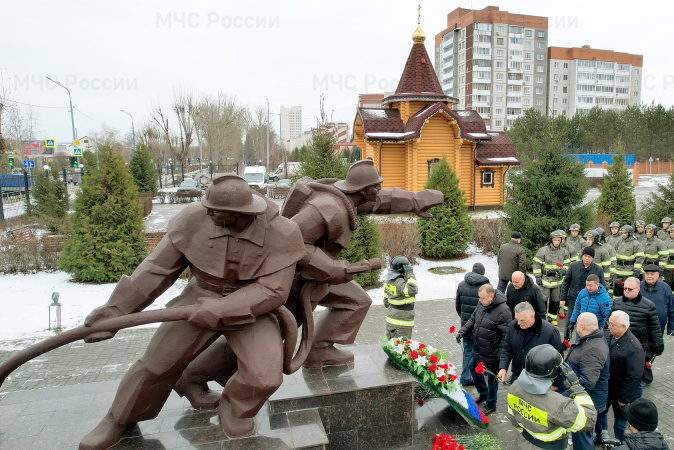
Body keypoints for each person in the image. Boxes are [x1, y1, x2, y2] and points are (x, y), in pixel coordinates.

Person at [173, 160, 443, 405]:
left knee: (356, 301)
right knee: (265, 338)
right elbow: (292, 242)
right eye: (376, 186)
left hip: (318, 279)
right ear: (366, 189)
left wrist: (416, 201)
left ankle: (320, 350)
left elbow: (384, 200)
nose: (379, 190)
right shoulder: (327, 209)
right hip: (290, 282)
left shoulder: (351, 198)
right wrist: (333, 267)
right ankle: (191, 376)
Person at [78, 175, 307, 448]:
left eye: (215, 209)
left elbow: (273, 290)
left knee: (265, 375)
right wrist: (115, 310)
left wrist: (222, 308)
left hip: (253, 309)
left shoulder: (284, 233)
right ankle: (119, 419)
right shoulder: (192, 219)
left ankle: (234, 407)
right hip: (198, 300)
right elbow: (156, 270)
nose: (206, 211)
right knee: (156, 364)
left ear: (239, 213)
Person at [506, 345, 597, 450]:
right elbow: (588, 420)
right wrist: (576, 388)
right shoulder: (558, 404)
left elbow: (514, 418)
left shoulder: (514, 387)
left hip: (525, 443)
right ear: (554, 371)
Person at [456, 284, 512, 414]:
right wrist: (462, 331)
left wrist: (500, 357)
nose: (480, 301)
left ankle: (491, 403)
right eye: (479, 298)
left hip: (493, 352)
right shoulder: (482, 304)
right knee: (472, 367)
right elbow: (473, 318)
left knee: (492, 379)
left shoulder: (504, 311)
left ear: (491, 296)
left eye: (482, 298)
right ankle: (483, 392)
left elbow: (506, 337)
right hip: (479, 347)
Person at [561, 313, 610, 450]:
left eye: (577, 323)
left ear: (582, 326)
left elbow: (587, 382)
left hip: (586, 404)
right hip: (586, 400)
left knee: (582, 440)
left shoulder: (593, 348)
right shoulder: (591, 339)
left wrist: (564, 397)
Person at [612, 277, 664, 386]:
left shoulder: (648, 306)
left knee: (636, 376)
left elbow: (655, 327)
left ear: (638, 289)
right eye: (625, 288)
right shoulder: (616, 303)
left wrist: (658, 346)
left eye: (630, 289)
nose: (626, 291)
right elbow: (609, 324)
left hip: (639, 347)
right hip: (619, 344)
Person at [603, 311, 645, 444]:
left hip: (620, 393)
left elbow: (635, 375)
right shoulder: (609, 336)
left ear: (623, 326)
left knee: (621, 421)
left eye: (612, 325)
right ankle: (602, 437)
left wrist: (625, 398)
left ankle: (620, 443)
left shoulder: (633, 347)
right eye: (609, 324)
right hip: (607, 388)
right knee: (601, 414)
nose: (609, 327)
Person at [498, 302, 563, 385]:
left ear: (532, 316)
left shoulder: (550, 332)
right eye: (517, 319)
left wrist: (555, 384)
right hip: (518, 377)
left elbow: (558, 360)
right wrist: (503, 368)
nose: (518, 323)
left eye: (522, 320)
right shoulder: (513, 326)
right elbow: (507, 349)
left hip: (539, 381)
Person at [455, 262, 490, 385]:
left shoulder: (461, 285)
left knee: (468, 351)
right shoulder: (487, 288)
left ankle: (465, 377)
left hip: (466, 326)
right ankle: (483, 372)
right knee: (484, 351)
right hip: (482, 326)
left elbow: (458, 306)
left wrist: (465, 320)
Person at [533, 230, 571, 325]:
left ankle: (553, 318)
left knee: (555, 300)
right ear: (551, 240)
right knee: (543, 300)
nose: (557, 242)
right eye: (555, 240)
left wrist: (563, 271)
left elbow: (567, 264)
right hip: (545, 281)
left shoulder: (564, 252)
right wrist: (538, 277)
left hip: (557, 282)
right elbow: (536, 263)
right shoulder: (543, 250)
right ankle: (542, 318)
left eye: (559, 240)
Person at [560, 247, 604, 325]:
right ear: (582, 256)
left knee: (586, 325)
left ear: (592, 258)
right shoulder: (574, 266)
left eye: (589, 257)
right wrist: (563, 298)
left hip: (590, 303)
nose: (586, 258)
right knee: (569, 324)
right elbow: (566, 282)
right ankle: (566, 337)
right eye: (585, 256)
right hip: (573, 300)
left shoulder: (598, 269)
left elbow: (602, 286)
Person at [565, 274, 613, 343]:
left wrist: (602, 332)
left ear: (597, 285)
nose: (588, 288)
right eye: (587, 285)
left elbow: (606, 317)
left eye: (591, 285)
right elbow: (577, 308)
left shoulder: (605, 298)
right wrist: (572, 322)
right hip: (581, 329)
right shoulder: (582, 293)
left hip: (595, 332)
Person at [384, 255, 418, 339]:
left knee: (392, 346)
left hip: (391, 320)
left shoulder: (388, 281)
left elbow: (386, 302)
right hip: (402, 324)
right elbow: (412, 289)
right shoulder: (400, 283)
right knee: (402, 348)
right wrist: (410, 274)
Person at [641, 265, 674, 336]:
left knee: (656, 346)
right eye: (647, 274)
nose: (649, 276)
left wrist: (671, 331)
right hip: (640, 328)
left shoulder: (665, 288)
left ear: (658, 275)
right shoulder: (638, 287)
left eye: (652, 274)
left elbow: (673, 310)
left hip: (658, 328)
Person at [610, 225, 644, 297]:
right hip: (618, 271)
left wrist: (636, 271)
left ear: (630, 233)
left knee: (629, 290)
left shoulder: (636, 244)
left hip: (629, 271)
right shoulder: (618, 242)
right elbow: (613, 255)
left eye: (625, 233)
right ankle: (617, 304)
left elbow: (639, 258)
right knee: (617, 289)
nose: (623, 235)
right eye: (622, 233)